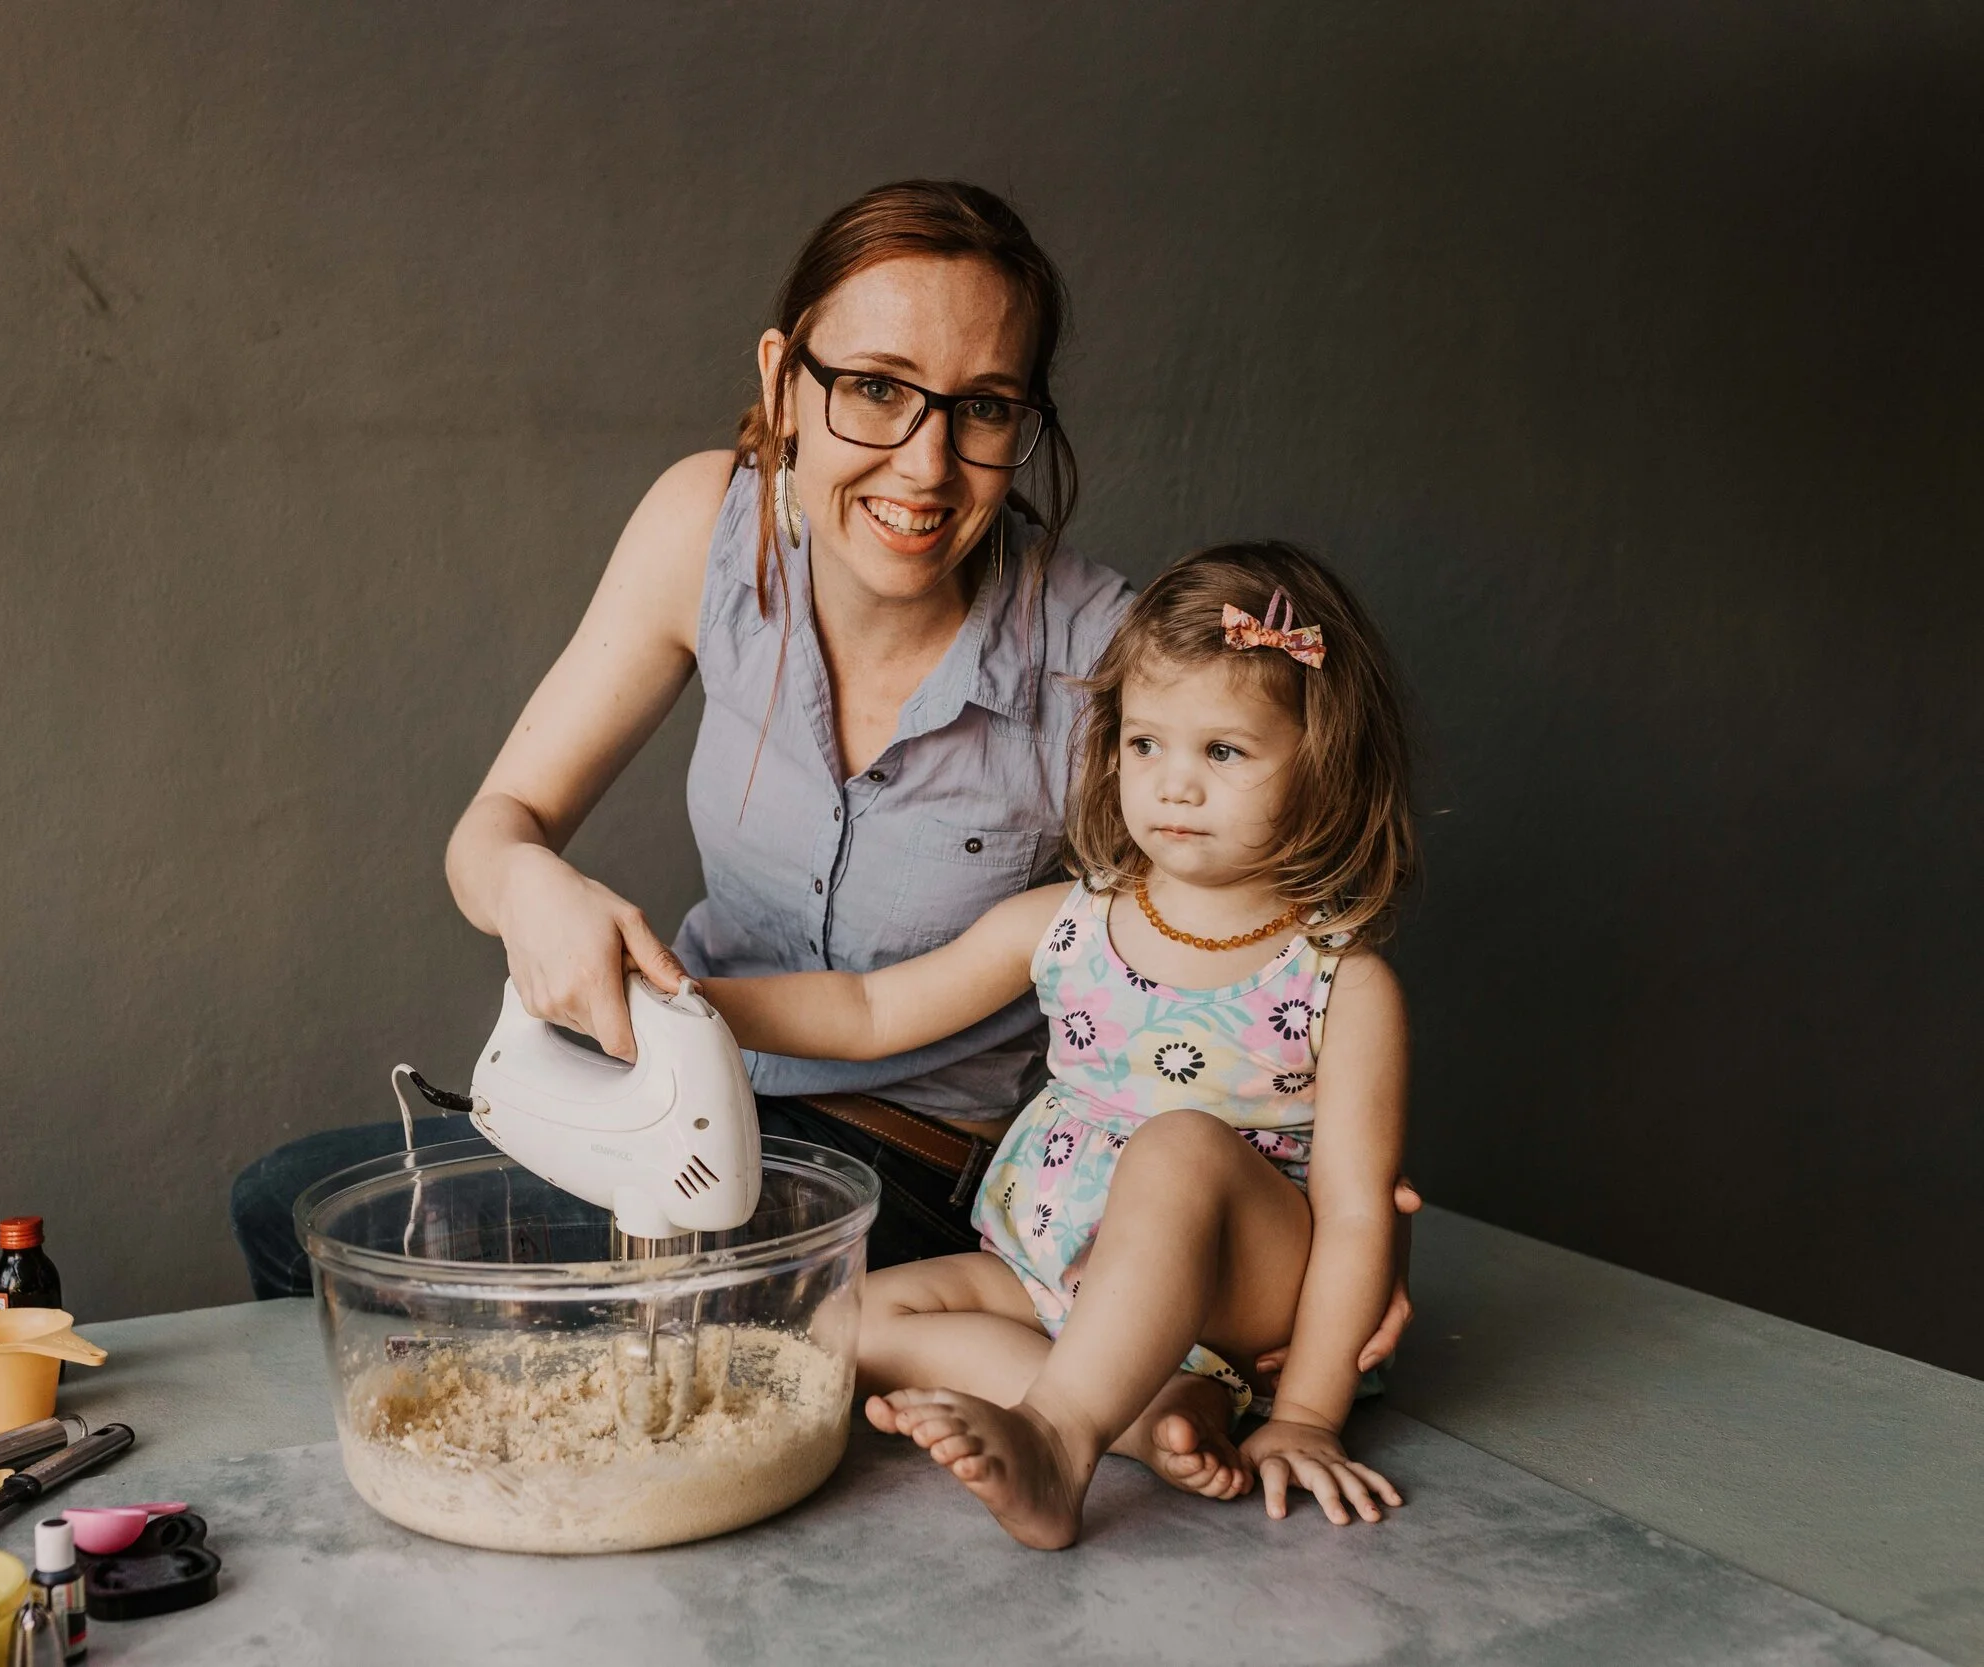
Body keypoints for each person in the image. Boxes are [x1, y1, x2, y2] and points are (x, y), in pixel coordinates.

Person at [227, 180, 1414, 1374]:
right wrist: (531, 884)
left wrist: (1331, 1231)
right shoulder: (704, 522)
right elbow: (496, 827)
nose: (927, 463)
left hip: (911, 1169)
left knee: (614, 1343)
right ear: (783, 382)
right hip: (682, 1089)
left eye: (982, 407)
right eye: (877, 388)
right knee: (289, 1205)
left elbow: (1231, 940)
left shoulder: (1105, 657)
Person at [702, 542, 1414, 1547]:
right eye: (1147, 744)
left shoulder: (1338, 979)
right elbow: (867, 1010)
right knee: (838, 1318)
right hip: (1050, 1264)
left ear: (1325, 763)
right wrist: (693, 1003)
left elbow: (1353, 1212)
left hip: (1240, 1287)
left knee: (1178, 1141)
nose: (1175, 785)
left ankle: (1059, 1437)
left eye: (1224, 752)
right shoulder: (1069, 921)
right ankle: (1147, 1411)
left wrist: (1306, 1412)